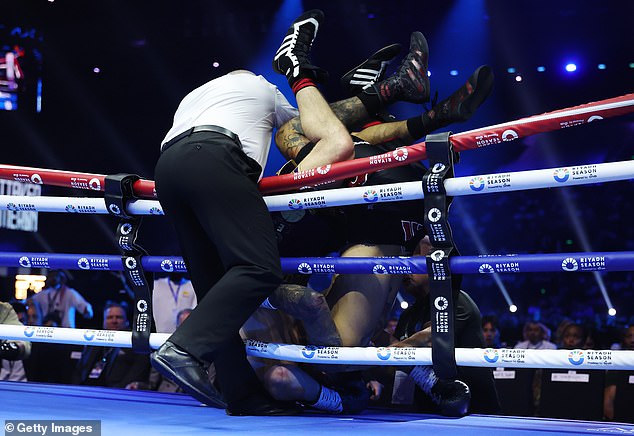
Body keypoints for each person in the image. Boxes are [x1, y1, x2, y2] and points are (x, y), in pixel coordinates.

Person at [151, 9, 352, 416]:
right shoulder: (264, 89)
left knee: (213, 286)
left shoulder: (197, 95)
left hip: (167, 169)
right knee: (259, 268)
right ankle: (183, 348)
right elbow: (315, 131)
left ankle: (241, 394)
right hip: (216, 159)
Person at [391, 236, 501, 416]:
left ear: (436, 262)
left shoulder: (458, 302)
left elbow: (430, 340)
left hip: (474, 414)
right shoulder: (408, 315)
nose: (406, 267)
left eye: (416, 256)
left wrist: (391, 350)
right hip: (427, 414)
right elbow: (395, 362)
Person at [72, 302, 150, 389]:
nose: (114, 321)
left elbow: (136, 374)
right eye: (109, 317)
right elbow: (79, 372)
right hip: (86, 390)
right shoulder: (93, 343)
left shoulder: (136, 345)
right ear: (103, 322)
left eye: (119, 317)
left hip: (115, 393)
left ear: (127, 321)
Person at [603, 325, 634, 422]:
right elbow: (608, 400)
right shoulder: (617, 365)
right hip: (622, 422)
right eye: (629, 336)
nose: (633, 340)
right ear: (624, 339)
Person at [0, 301, 32, 382]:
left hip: (22, 387)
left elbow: (21, 341)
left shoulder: (4, 310)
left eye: (22, 320)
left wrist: (16, 348)